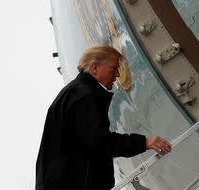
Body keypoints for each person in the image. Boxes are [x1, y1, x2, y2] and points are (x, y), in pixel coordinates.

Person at [36, 45, 172, 190]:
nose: (118, 74)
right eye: (114, 68)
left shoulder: (76, 92)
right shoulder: (83, 96)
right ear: (94, 68)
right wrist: (143, 142)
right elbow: (99, 142)